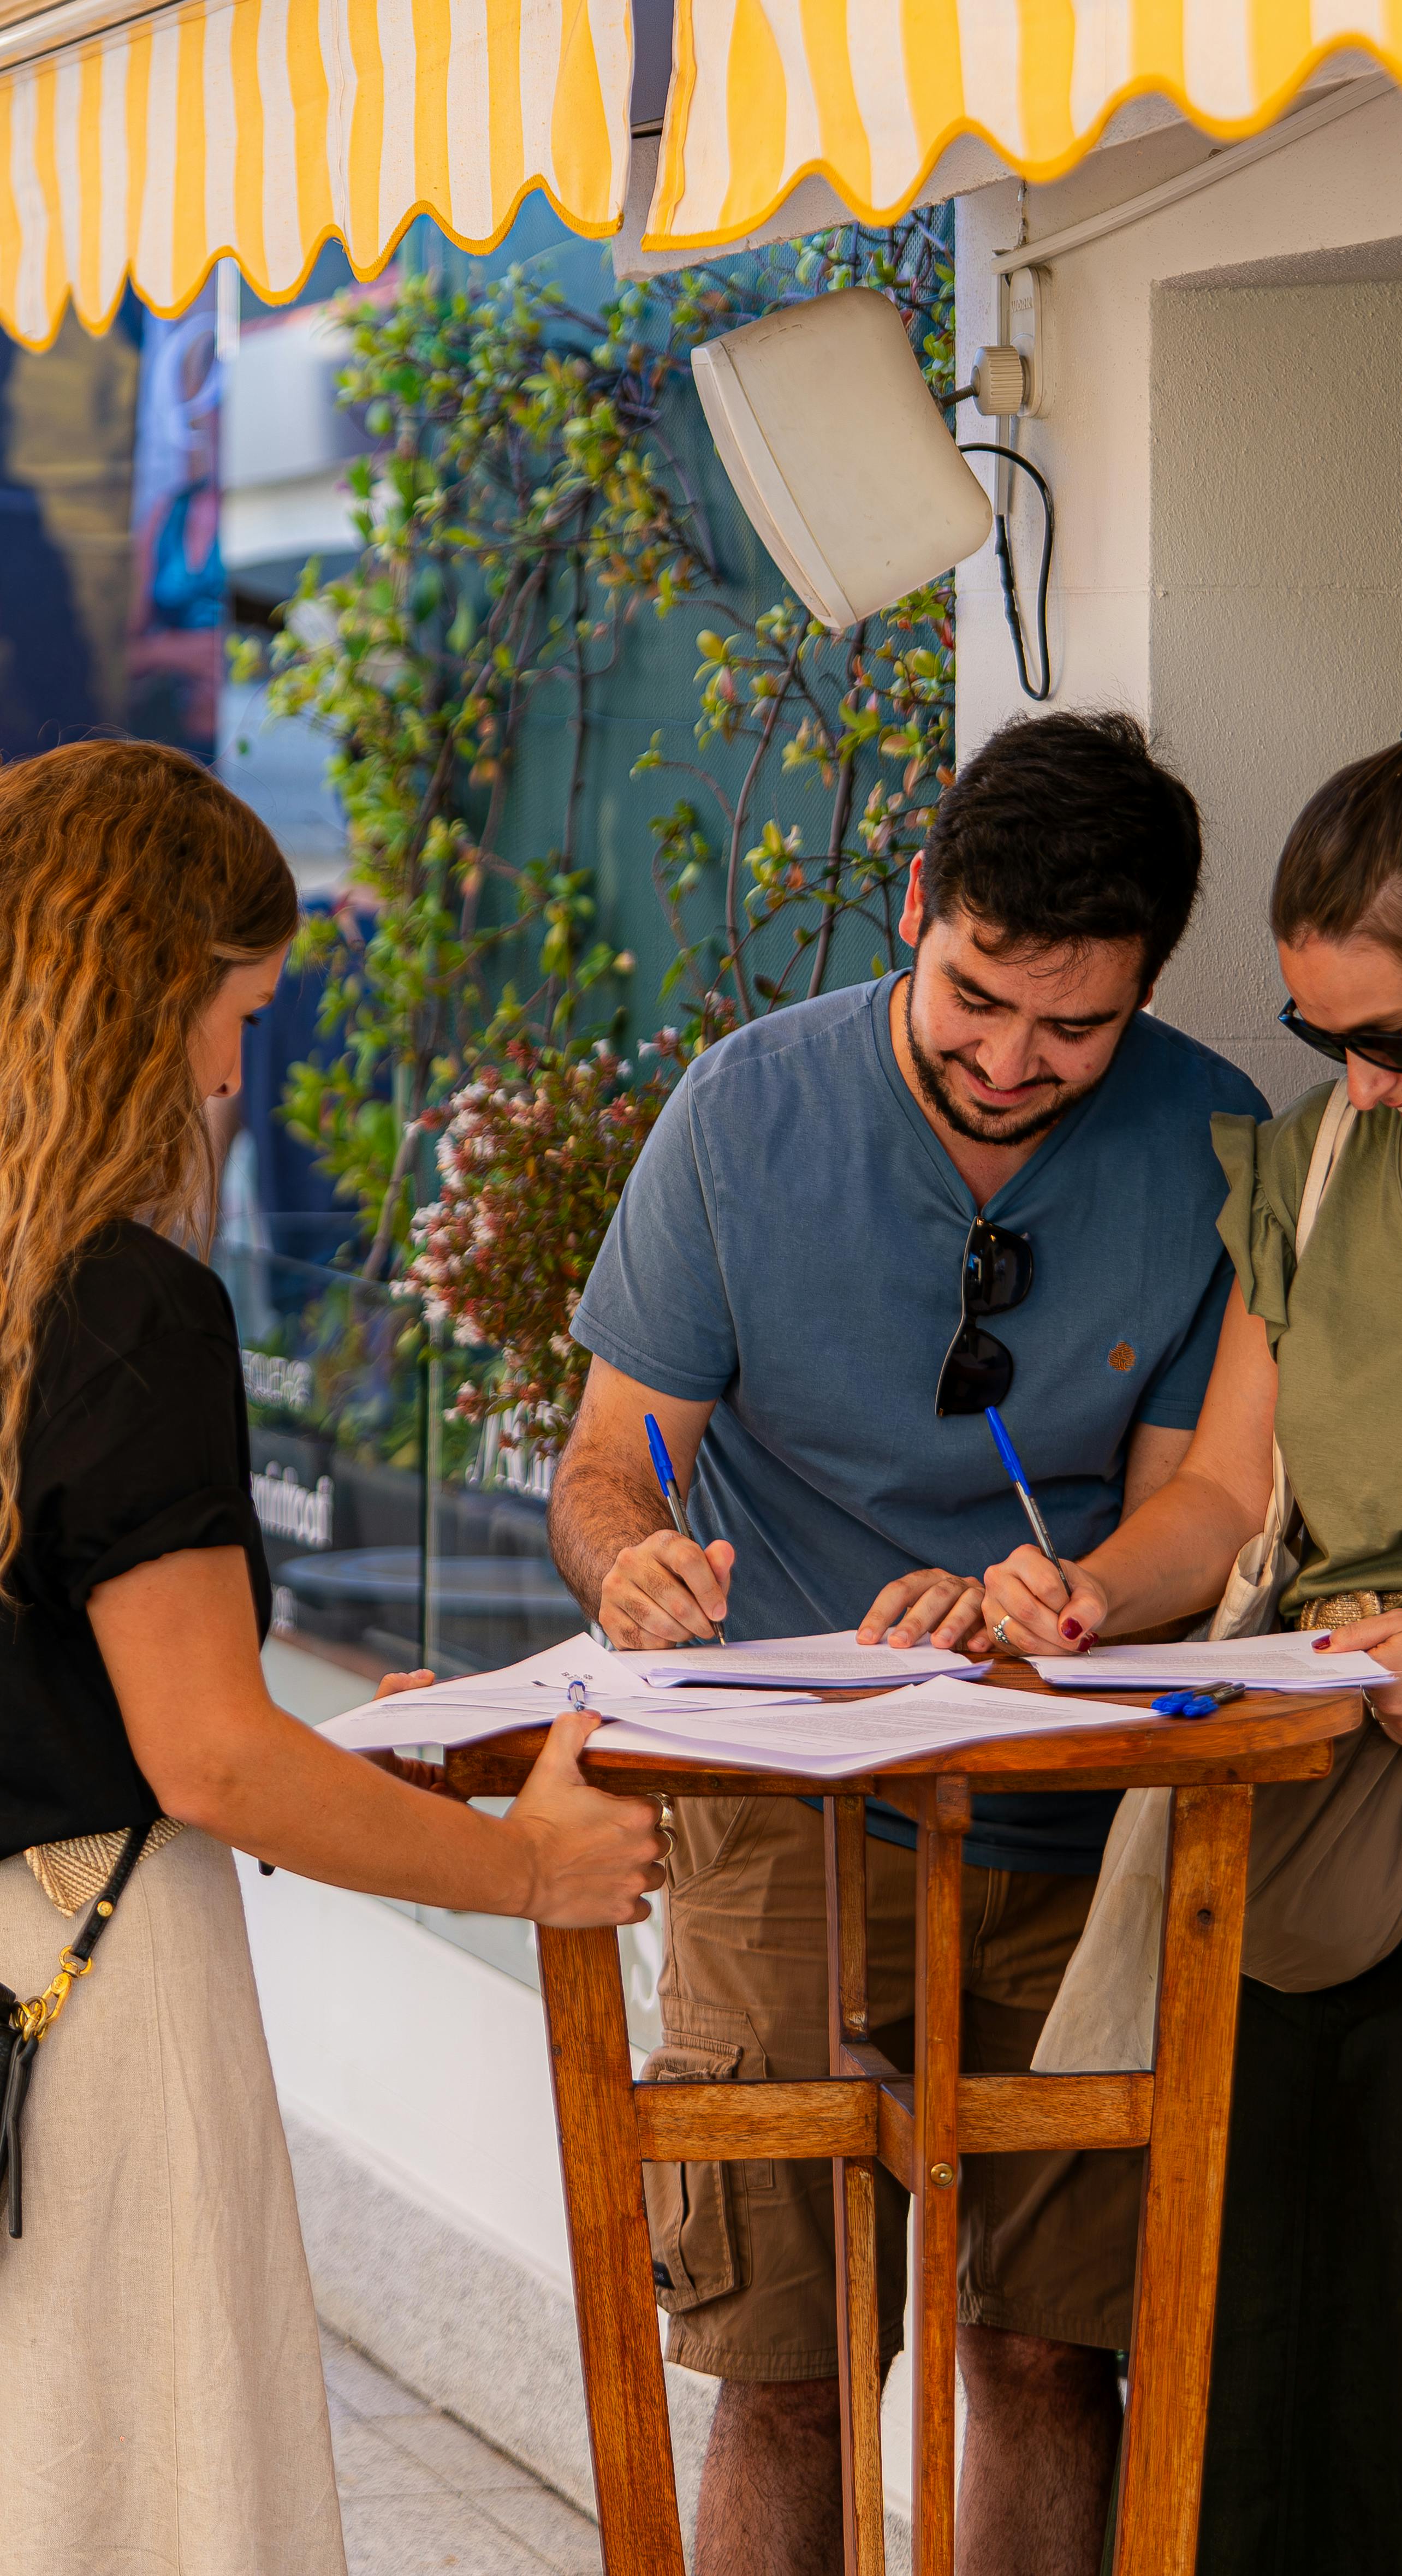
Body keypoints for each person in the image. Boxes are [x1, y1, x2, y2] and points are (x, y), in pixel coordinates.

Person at [549, 708, 1268, 2576]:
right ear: (920, 902)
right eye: (976, 998)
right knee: (783, 2365)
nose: (1014, 1063)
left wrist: (1085, 1587)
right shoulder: (742, 1108)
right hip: (777, 1821)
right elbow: (609, 1470)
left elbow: (1205, 1507)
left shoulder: (1210, 1137)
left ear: (1145, 991)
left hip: (1074, 1817)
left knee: (1047, 2352)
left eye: (1073, 1027)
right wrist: (631, 1567)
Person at [0, 740, 667, 2576]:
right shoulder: (123, 1305)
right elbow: (208, 1754)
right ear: (137, 993)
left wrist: (326, 1775)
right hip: (80, 1993)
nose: (234, 1071)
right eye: (236, 1008)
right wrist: (526, 1867)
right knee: (122, 2490)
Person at [985, 675, 1402, 2576]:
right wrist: (1096, 1593)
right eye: (1316, 1034)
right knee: (1243, 2351)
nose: (1357, 1078)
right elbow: (1225, 1504)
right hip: (1298, 1809)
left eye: (1387, 1033)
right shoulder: (1328, 1164)